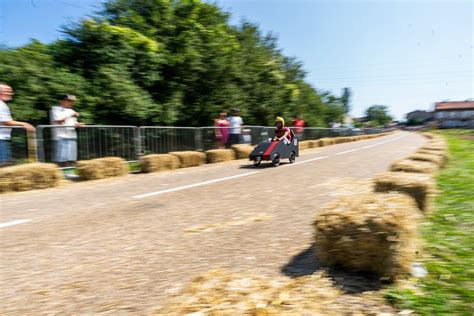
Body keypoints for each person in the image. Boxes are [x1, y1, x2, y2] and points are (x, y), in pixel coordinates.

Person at [0, 84, 35, 166]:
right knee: (4, 164)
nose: (11, 93)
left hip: (2, 138)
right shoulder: (1, 105)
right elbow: (6, 122)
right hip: (1, 139)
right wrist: (24, 124)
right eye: (8, 91)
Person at [50, 94, 83, 167]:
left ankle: (69, 173)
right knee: (61, 158)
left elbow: (73, 122)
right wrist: (71, 115)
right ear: (62, 101)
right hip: (60, 136)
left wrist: (78, 124)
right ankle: (60, 174)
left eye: (72, 102)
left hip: (71, 136)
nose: (72, 103)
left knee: (70, 157)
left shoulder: (71, 110)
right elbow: (59, 121)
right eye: (69, 101)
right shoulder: (55, 109)